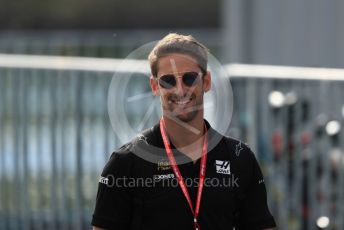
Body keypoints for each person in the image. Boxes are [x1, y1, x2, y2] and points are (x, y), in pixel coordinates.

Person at [92, 33, 276, 230]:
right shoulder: (125, 164)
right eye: (168, 81)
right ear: (155, 86)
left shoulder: (240, 157)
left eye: (189, 78)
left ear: (206, 82)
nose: (180, 90)